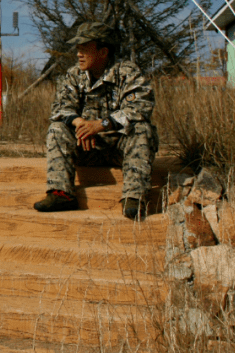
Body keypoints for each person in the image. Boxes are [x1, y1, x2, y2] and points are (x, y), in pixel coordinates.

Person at [34, 21, 158, 220]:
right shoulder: (74, 75)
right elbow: (59, 108)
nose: (78, 54)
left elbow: (140, 108)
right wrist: (80, 123)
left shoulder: (127, 73)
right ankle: (61, 194)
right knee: (57, 128)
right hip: (88, 148)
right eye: (78, 49)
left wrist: (100, 125)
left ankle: (134, 197)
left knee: (142, 128)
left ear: (103, 52)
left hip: (121, 148)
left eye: (84, 49)